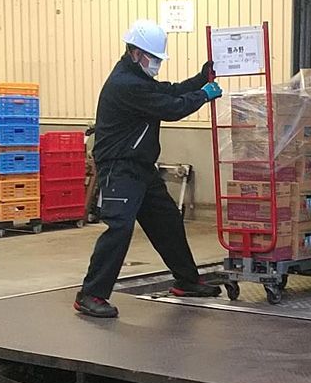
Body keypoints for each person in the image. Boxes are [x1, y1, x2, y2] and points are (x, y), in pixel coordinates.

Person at [74, 19, 223, 318]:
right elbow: (171, 108)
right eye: (153, 58)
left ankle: (187, 281)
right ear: (135, 53)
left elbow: (169, 92)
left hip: (140, 167)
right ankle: (90, 294)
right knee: (119, 228)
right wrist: (204, 94)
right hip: (120, 168)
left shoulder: (137, 79)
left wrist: (199, 79)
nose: (156, 63)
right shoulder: (125, 84)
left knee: (167, 222)